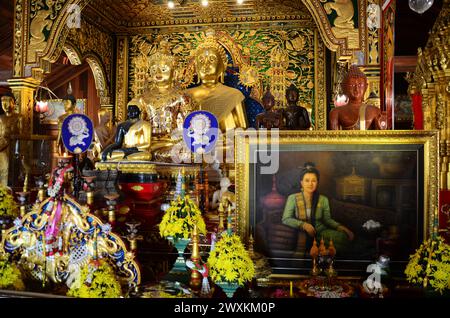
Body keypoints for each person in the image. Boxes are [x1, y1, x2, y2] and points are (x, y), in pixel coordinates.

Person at [282, 162, 354, 256]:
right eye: (307, 180)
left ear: (317, 182)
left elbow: (327, 220)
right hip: (301, 233)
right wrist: (304, 225)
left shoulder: (323, 199)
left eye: (314, 181)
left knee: (342, 239)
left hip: (320, 232)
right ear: (301, 182)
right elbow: (286, 219)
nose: (310, 184)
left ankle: (325, 253)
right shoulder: (293, 198)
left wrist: (341, 227)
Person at [138, 40, 193, 161]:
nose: (158, 73)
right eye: (154, 69)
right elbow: (139, 125)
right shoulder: (144, 98)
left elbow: (189, 126)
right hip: (149, 142)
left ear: (175, 73)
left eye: (163, 69)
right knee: (133, 153)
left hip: (172, 142)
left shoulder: (180, 96)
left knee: (185, 153)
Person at [187, 30, 247, 131]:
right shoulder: (186, 96)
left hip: (226, 144)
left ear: (222, 65)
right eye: (201, 60)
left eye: (212, 60)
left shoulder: (234, 95)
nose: (205, 65)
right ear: (196, 66)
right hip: (193, 144)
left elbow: (243, 130)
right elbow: (181, 131)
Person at [329, 65, 384, 130]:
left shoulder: (375, 111)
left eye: (360, 85)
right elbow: (334, 138)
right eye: (352, 85)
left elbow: (380, 137)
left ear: (366, 87)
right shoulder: (336, 112)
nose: (356, 89)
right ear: (344, 87)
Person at [0, 93, 22, 186]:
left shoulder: (19, 117)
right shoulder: (1, 118)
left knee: (9, 170)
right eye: (2, 101)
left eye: (8, 101)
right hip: (2, 147)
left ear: (13, 103)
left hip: (13, 148)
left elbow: (22, 135)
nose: (5, 104)